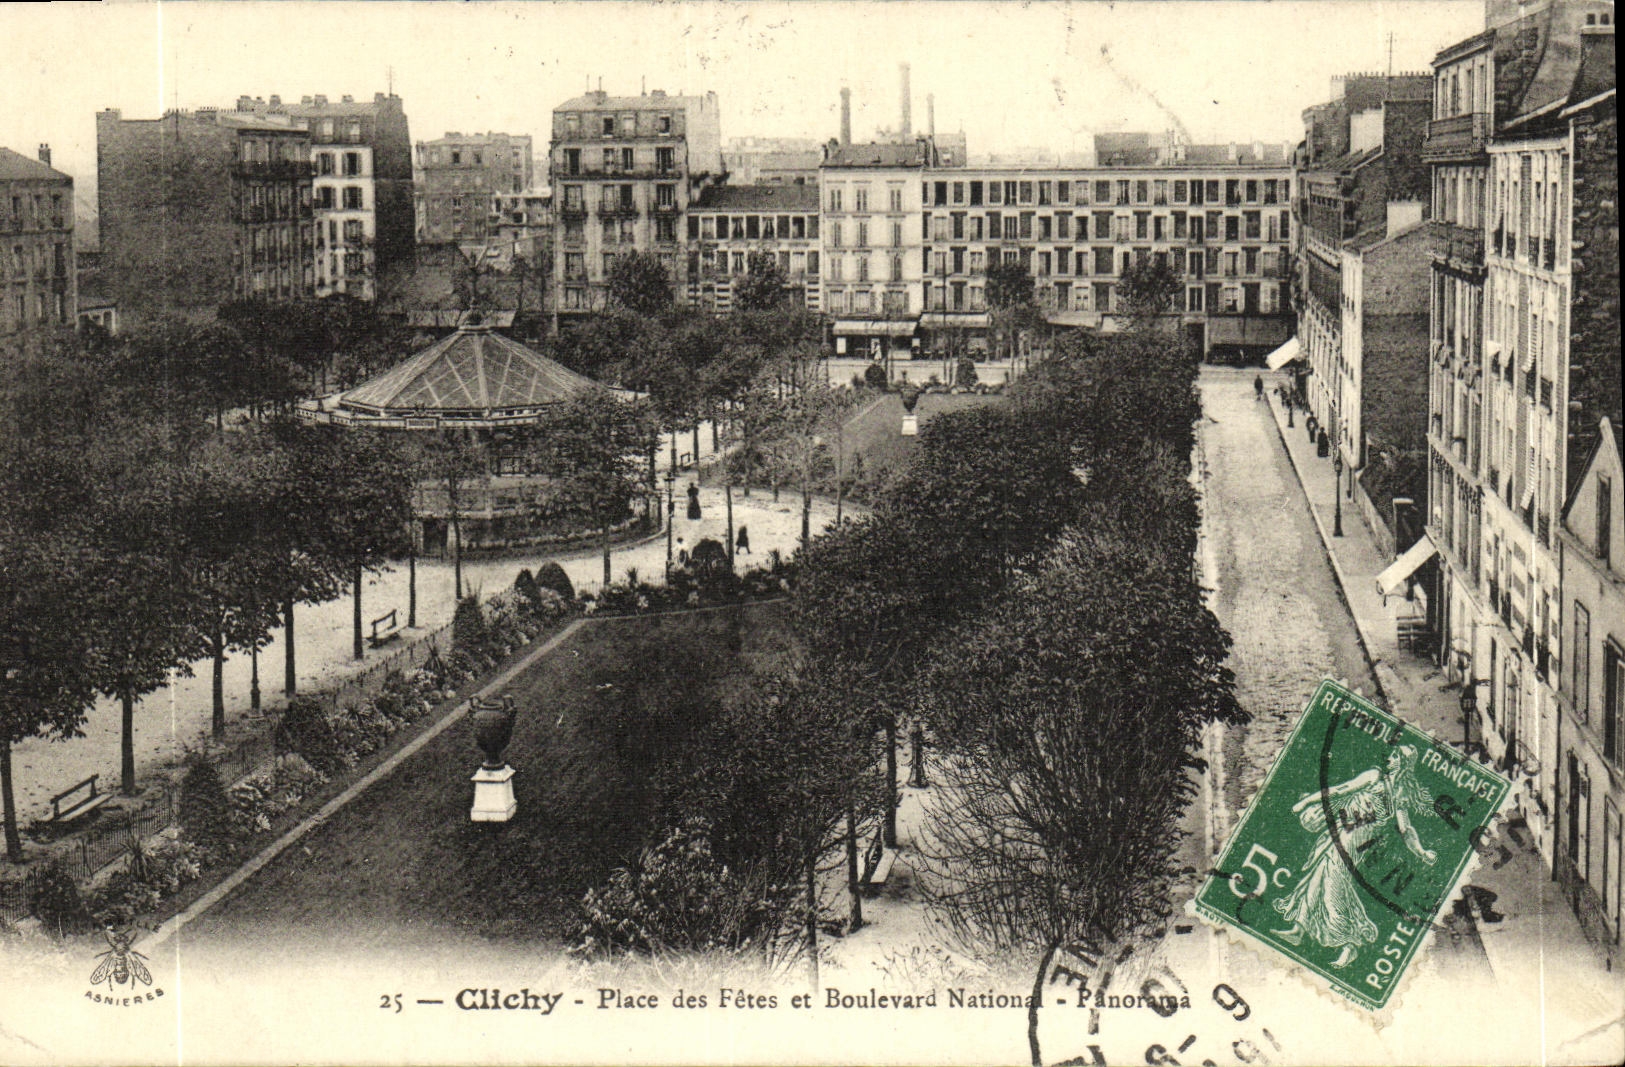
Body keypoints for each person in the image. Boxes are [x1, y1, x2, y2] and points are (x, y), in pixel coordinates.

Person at [1269, 744, 1438, 969]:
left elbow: (1406, 829)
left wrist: (1421, 851)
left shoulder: (1400, 794)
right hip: (1343, 831)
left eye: (1396, 756)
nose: (1390, 757)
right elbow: (1341, 789)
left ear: (1405, 764)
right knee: (1318, 877)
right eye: (1392, 753)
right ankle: (1299, 930)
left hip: (1359, 841)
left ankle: (1350, 944)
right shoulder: (1374, 775)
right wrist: (1308, 801)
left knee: (1333, 885)